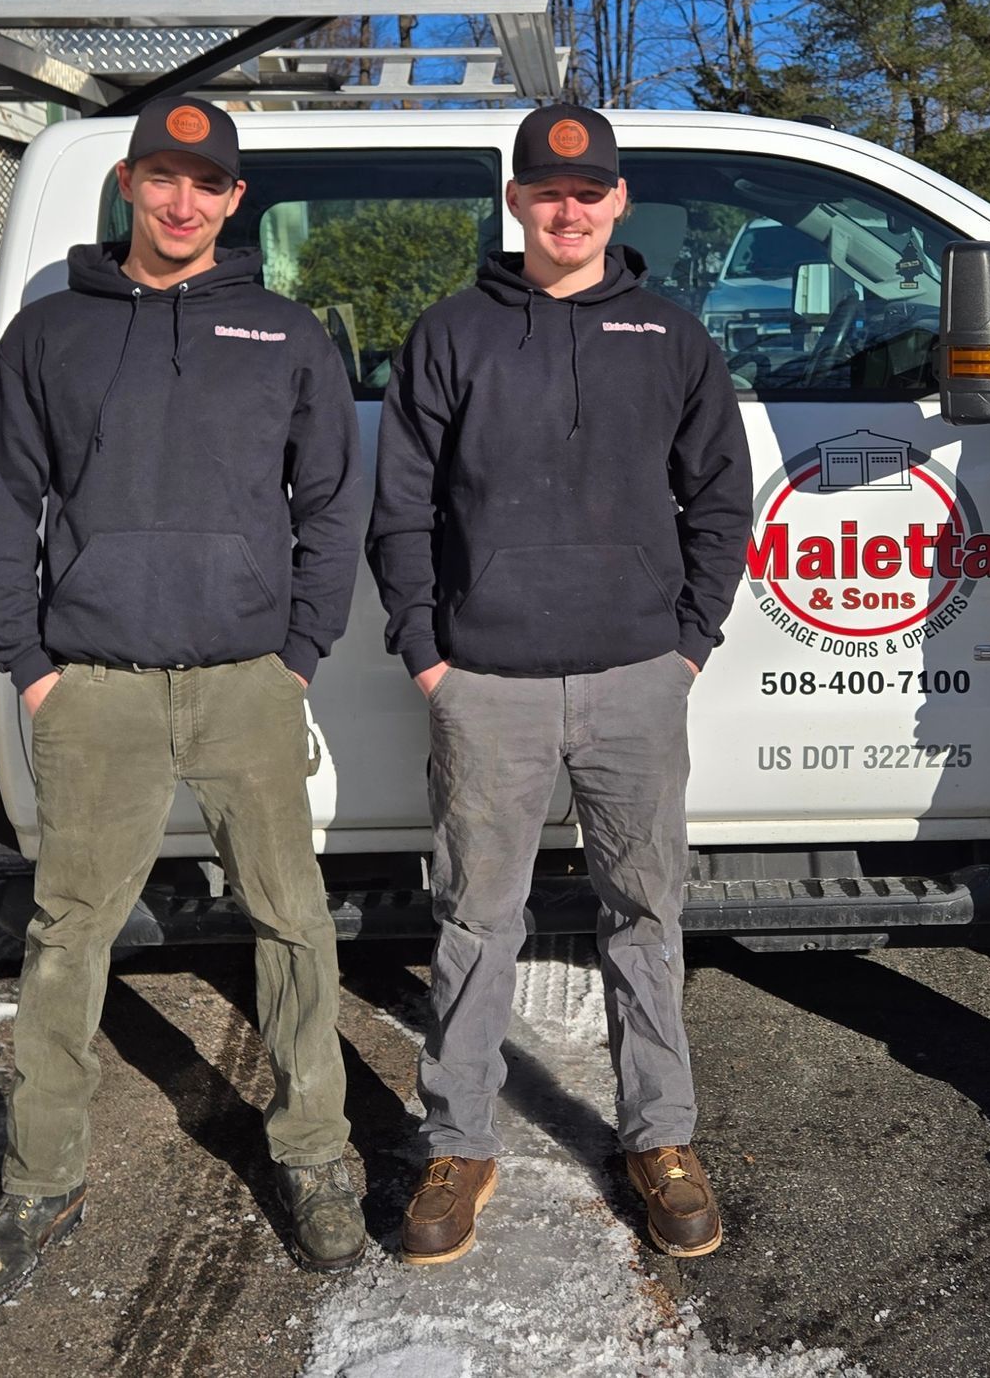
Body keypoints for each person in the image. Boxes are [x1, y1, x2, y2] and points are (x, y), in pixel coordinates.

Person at [0, 96, 366, 1310]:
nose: (184, 202)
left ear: (236, 200)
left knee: (292, 922)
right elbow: (1, 504)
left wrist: (298, 650)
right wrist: (31, 662)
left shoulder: (285, 335)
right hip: (97, 690)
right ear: (128, 183)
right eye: (163, 177)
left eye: (207, 183)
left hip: (246, 684)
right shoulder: (51, 333)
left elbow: (332, 503)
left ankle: (314, 1156)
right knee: (67, 937)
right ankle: (41, 1182)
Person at [366, 103, 753, 1265]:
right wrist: (429, 650)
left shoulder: (671, 337)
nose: (568, 210)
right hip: (487, 681)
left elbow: (720, 500)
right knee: (476, 917)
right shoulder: (451, 335)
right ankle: (460, 1142)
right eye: (547, 191)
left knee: (645, 913)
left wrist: (687, 642)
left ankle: (661, 1137)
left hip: (637, 677)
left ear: (618, 201)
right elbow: (402, 508)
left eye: (589, 192)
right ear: (517, 202)